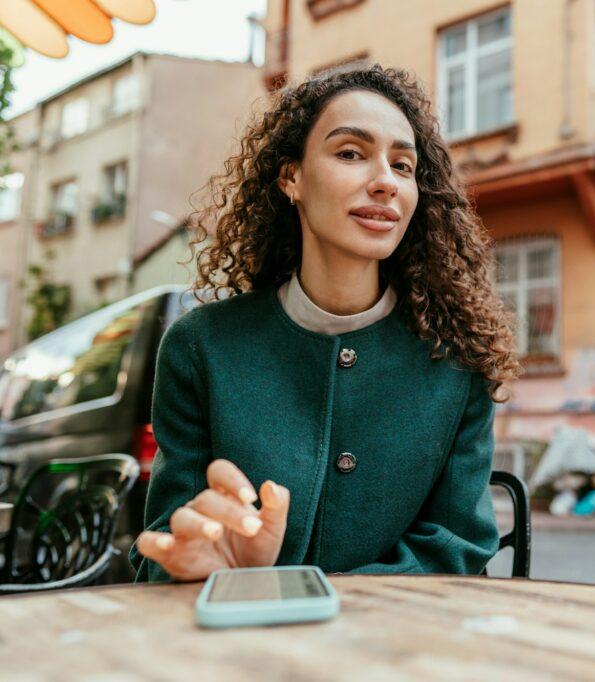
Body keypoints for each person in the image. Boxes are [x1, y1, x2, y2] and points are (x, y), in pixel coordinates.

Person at [130, 66, 521, 583]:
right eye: (351, 154)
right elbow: (163, 544)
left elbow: (458, 547)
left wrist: (325, 603)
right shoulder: (200, 346)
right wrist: (205, 563)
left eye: (403, 166)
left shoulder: (458, 360)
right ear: (291, 177)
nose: (385, 181)